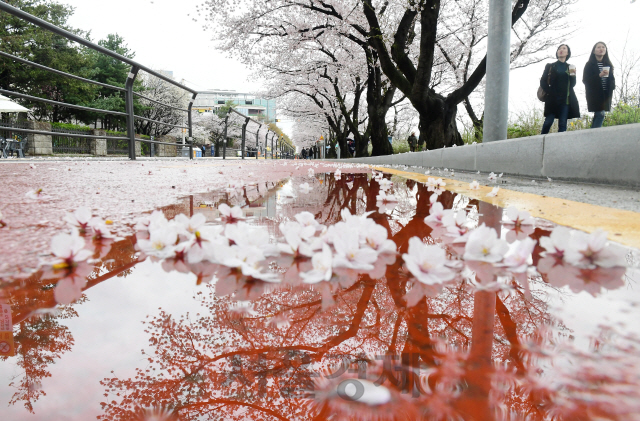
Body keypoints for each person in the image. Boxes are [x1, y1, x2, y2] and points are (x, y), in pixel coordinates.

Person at [540, 44, 580, 134]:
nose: (561, 50)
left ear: (567, 53)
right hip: (552, 99)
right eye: (559, 49)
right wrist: (550, 92)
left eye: (564, 48)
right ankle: (540, 142)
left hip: (565, 100)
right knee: (548, 122)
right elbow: (543, 81)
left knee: (562, 124)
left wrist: (573, 75)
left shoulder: (570, 67)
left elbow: (572, 84)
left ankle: (560, 146)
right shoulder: (550, 66)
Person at [583, 41, 615, 129]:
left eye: (603, 47)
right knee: (600, 113)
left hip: (606, 94)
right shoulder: (589, 64)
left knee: (598, 114)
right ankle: (595, 135)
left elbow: (612, 79)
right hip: (595, 94)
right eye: (598, 47)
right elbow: (585, 80)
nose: (601, 49)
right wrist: (599, 76)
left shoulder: (608, 64)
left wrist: (612, 87)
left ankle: (591, 134)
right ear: (594, 51)